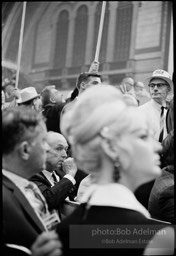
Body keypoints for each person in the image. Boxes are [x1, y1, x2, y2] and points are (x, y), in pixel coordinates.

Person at [56, 84, 174, 255]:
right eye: (142, 136)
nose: (158, 147)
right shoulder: (156, 239)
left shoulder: (67, 231)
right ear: (112, 148)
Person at [2, 107, 60, 249]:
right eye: (43, 141)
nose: (47, 148)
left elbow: (55, 233)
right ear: (25, 150)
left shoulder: (28, 186)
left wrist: (108, 236)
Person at [30, 131, 78, 213]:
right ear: (42, 150)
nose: (65, 155)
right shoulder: (32, 174)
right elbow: (47, 201)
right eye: (59, 149)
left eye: (66, 149)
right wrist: (70, 175)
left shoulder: (61, 175)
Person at [138, 69, 173, 142]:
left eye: (160, 85)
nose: (155, 89)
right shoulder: (140, 111)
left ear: (168, 88)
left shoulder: (170, 112)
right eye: (152, 85)